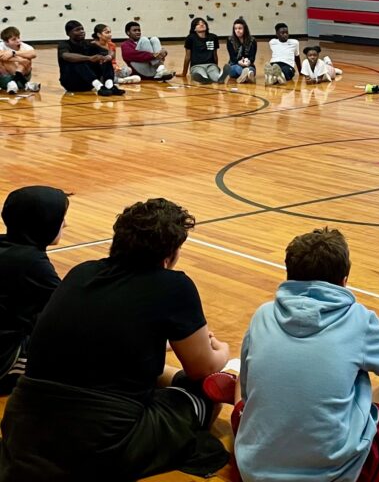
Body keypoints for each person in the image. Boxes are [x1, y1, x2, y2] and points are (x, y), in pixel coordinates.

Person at [0, 198, 231, 480]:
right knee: (203, 393)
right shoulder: (174, 285)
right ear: (170, 253)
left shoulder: (80, 272)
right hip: (99, 439)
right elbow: (203, 368)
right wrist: (222, 351)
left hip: (23, 425)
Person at [230, 227, 379, 482]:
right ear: (345, 280)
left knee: (243, 378)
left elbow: (248, 393)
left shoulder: (263, 315)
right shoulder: (358, 320)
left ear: (289, 275)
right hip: (334, 474)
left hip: (255, 468)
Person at [0, 186, 69, 395]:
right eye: (61, 218)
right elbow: (70, 307)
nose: (65, 223)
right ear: (44, 223)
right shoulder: (31, 262)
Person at [56, 20, 125, 96]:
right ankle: (100, 87)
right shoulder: (64, 44)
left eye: (82, 29)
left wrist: (108, 57)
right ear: (68, 33)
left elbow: (109, 51)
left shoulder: (88, 44)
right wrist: (89, 58)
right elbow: (66, 55)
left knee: (104, 59)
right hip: (71, 83)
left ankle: (110, 86)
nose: (82, 31)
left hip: (88, 83)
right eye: (77, 30)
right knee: (78, 60)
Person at [182, 17, 227, 84]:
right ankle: (203, 79)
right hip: (197, 66)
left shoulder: (213, 37)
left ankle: (219, 78)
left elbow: (215, 55)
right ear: (194, 28)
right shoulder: (190, 38)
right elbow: (187, 57)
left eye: (203, 23)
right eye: (198, 24)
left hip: (211, 65)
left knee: (215, 75)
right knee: (201, 74)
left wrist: (216, 67)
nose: (202, 25)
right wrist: (184, 73)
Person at [0, 27, 40, 93]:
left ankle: (15, 81)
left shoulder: (24, 46)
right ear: (6, 42)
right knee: (3, 60)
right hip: (6, 76)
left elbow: (33, 54)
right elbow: (1, 56)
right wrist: (19, 60)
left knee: (27, 58)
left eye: (18, 37)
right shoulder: (1, 45)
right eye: (14, 39)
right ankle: (25, 84)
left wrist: (14, 53)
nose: (18, 41)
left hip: (23, 74)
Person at [226, 17, 257, 84]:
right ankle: (247, 74)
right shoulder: (230, 40)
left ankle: (248, 74)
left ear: (245, 29)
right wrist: (239, 62)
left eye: (240, 28)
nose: (237, 30)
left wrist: (248, 62)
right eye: (235, 29)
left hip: (248, 64)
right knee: (237, 68)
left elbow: (252, 57)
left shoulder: (252, 40)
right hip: (234, 64)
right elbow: (232, 57)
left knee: (251, 69)